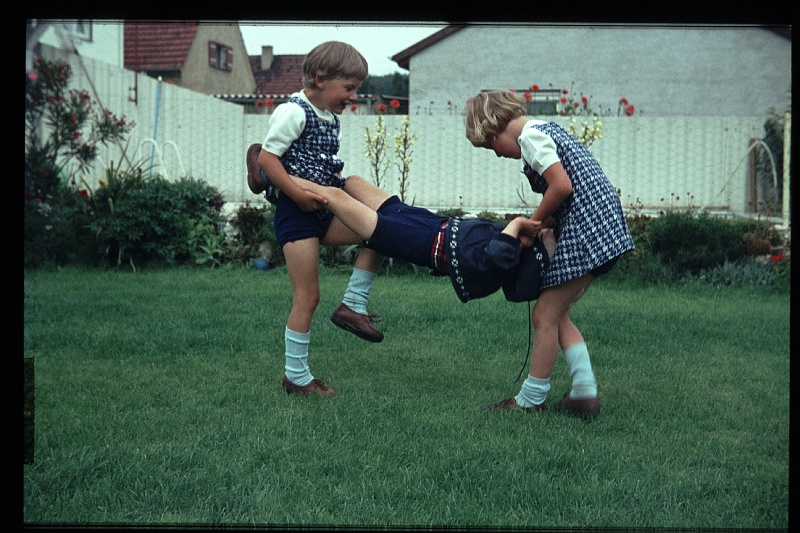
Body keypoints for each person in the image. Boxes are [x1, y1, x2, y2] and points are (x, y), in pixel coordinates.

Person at [465, 90, 635, 418]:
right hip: (601, 227)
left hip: (588, 231)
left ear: (495, 128)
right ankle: (583, 393)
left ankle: (531, 399)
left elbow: (561, 186)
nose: (497, 154)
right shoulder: (547, 129)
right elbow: (573, 191)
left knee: (544, 315)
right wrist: (545, 226)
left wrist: (532, 223)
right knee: (557, 313)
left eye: (490, 146)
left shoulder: (530, 138)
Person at [245, 41, 387, 398]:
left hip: (324, 209)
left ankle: (353, 304)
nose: (353, 96)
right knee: (307, 296)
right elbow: (268, 159)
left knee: (382, 232)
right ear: (321, 80)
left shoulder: (329, 116)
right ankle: (296, 377)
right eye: (349, 88)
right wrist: (296, 194)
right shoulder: (293, 112)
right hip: (296, 215)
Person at [278, 174, 555, 304]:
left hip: (418, 240)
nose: (539, 230)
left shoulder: (507, 258)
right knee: (353, 183)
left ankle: (274, 176)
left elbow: (497, 252)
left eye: (543, 236)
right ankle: (352, 306)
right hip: (428, 228)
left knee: (337, 197)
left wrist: (517, 224)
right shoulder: (510, 257)